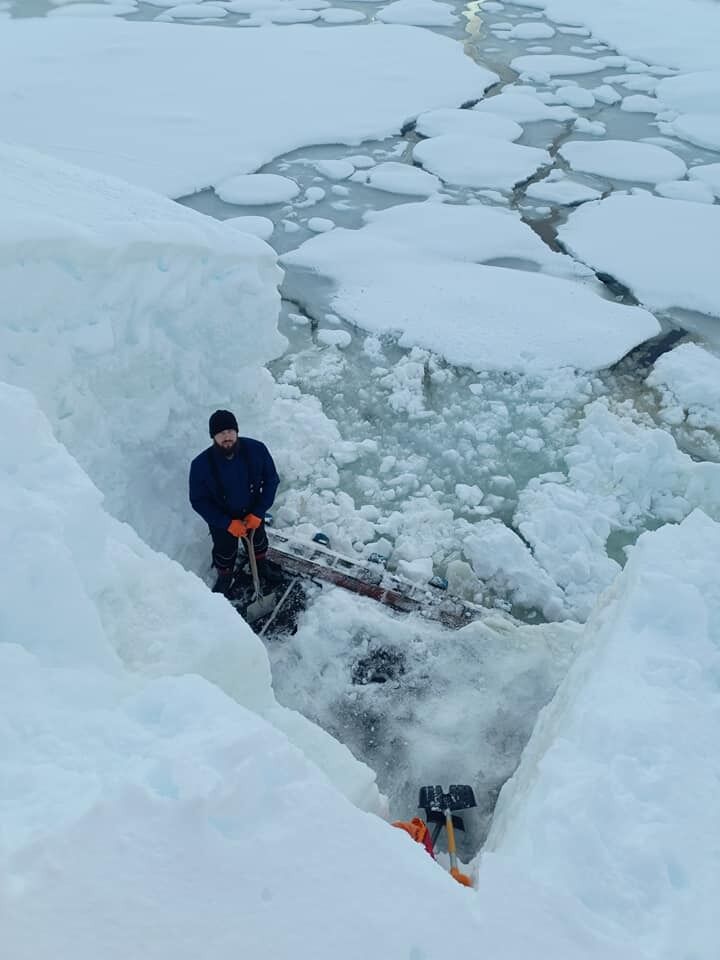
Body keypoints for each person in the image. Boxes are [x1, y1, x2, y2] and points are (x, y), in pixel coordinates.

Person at [189, 409, 282, 596]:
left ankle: (261, 566)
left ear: (237, 431)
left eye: (230, 431)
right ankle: (225, 577)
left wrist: (259, 512)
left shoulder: (257, 450)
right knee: (225, 552)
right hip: (222, 519)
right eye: (221, 433)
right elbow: (198, 500)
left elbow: (272, 480)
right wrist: (227, 523)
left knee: (258, 542)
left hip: (252, 512)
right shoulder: (200, 465)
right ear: (213, 436)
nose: (227, 437)